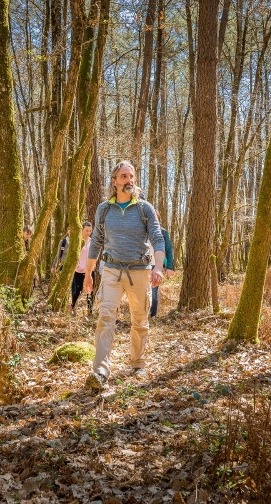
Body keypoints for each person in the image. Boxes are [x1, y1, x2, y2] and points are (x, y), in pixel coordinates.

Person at [83, 161, 165, 392]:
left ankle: (137, 363)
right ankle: (100, 371)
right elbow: (96, 242)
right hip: (111, 271)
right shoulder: (104, 209)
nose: (129, 180)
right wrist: (88, 274)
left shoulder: (144, 208)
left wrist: (158, 267)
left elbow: (157, 238)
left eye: (132, 176)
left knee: (139, 319)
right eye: (124, 176)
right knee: (106, 316)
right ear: (114, 182)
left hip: (140, 271)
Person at [150, 210, 174, 318]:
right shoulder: (144, 230)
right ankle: (142, 314)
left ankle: (153, 315)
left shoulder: (163, 232)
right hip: (143, 265)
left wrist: (169, 266)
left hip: (157, 265)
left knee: (154, 292)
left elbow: (168, 250)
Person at [70, 222, 94, 315]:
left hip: (90, 271)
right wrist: (77, 266)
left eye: (90, 231)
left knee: (90, 292)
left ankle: (89, 311)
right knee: (77, 291)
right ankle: (72, 307)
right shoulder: (77, 242)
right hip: (79, 271)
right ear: (82, 230)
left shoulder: (92, 242)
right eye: (86, 230)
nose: (88, 233)